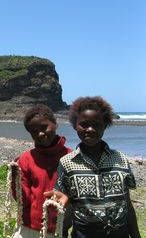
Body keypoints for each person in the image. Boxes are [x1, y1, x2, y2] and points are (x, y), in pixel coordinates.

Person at [45, 96, 141, 238]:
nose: (90, 129)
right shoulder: (67, 163)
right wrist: (62, 232)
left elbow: (126, 204)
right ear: (75, 126)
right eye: (84, 124)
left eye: (96, 124)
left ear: (105, 125)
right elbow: (64, 206)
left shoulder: (120, 159)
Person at [11, 104, 72, 238]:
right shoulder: (26, 159)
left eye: (44, 127)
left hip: (58, 228)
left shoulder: (71, 157)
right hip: (28, 227)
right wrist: (15, 181)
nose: (40, 133)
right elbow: (23, 200)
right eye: (34, 131)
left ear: (55, 123)